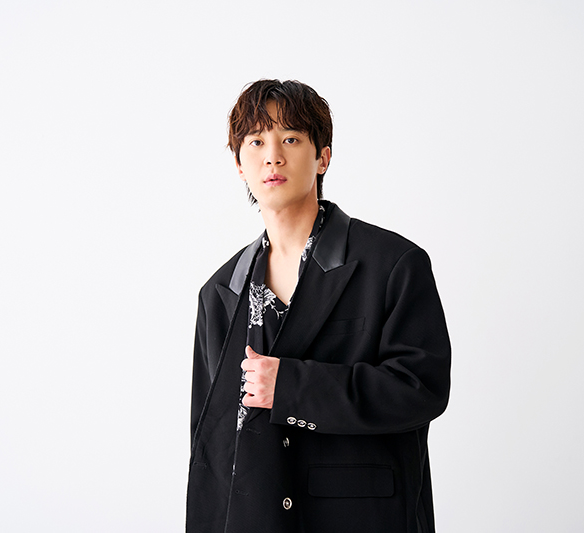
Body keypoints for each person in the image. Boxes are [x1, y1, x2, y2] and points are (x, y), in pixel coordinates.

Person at [187, 79, 451, 533]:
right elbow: (210, 446)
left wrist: (291, 387)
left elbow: (421, 388)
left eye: (290, 138)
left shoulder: (393, 264)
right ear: (239, 165)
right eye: (256, 142)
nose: (273, 156)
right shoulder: (221, 293)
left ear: (323, 156)